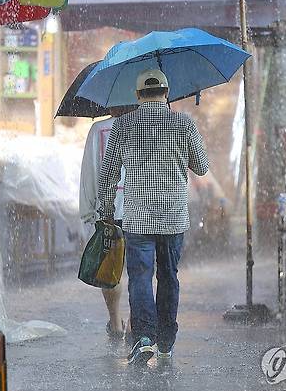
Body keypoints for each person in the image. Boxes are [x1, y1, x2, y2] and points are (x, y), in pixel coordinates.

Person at [97, 68, 209, 364]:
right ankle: (166, 340)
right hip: (173, 217)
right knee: (169, 277)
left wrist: (106, 212)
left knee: (140, 278)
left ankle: (144, 337)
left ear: (137, 96)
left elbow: (107, 175)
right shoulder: (184, 124)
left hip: (137, 218)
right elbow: (202, 166)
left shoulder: (122, 126)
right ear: (167, 92)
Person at [79, 106, 134, 340]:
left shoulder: (98, 129)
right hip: (141, 209)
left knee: (111, 269)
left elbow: (89, 172)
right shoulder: (146, 126)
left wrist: (87, 210)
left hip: (108, 210)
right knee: (140, 270)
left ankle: (115, 322)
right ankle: (134, 323)